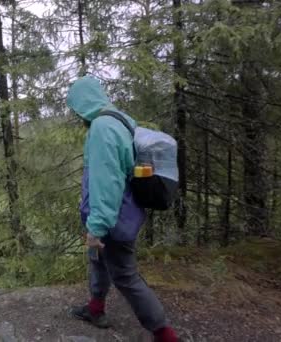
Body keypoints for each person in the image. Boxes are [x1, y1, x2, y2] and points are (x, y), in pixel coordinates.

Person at [66, 76, 179, 342]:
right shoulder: (118, 121)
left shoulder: (102, 129)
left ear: (84, 104)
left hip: (113, 218)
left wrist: (97, 227)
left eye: (75, 108)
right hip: (121, 212)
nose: (75, 114)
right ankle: (95, 309)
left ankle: (165, 334)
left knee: (126, 276)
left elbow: (107, 182)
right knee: (97, 260)